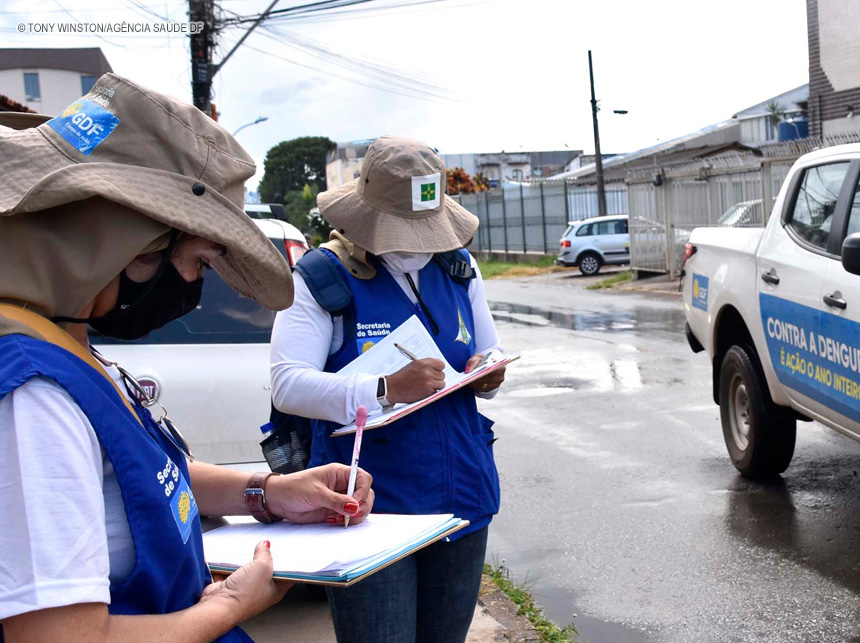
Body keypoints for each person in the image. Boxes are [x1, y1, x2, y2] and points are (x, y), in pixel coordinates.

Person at [0, 73, 374, 643]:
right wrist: (228, 607)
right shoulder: (32, 397)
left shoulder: (61, 341)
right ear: (126, 239)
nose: (195, 287)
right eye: (199, 263)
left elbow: (136, 477)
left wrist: (268, 492)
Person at [270, 135, 506, 643]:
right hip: (369, 509)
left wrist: (488, 372)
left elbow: (485, 353)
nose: (419, 242)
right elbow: (287, 386)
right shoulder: (320, 279)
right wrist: (385, 387)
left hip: (461, 495)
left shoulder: (458, 268)